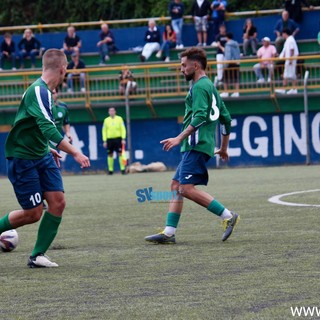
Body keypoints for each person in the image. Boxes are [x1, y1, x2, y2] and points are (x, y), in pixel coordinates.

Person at [0, 49, 90, 268]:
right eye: (67, 67)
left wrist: (46, 147)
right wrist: (76, 152)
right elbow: (49, 128)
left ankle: (37, 255)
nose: (66, 72)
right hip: (23, 158)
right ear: (62, 68)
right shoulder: (38, 92)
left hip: (41, 154)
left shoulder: (46, 94)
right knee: (33, 213)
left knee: (58, 202)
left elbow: (32, 125)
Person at [145, 47, 239, 244]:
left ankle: (228, 216)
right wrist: (223, 148)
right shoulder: (209, 86)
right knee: (176, 186)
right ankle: (169, 233)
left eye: (183, 65)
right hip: (198, 145)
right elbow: (226, 119)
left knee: (186, 188)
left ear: (195, 65)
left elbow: (200, 116)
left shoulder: (199, 87)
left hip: (196, 144)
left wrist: (179, 137)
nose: (181, 69)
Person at [102, 107, 127, 175]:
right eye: (110, 111)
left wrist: (123, 138)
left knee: (120, 153)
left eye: (113, 111)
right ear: (108, 112)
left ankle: (122, 169)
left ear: (115, 111)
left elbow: (123, 129)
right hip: (109, 139)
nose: (112, 112)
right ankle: (110, 170)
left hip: (118, 139)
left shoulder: (119, 119)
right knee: (110, 154)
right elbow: (104, 131)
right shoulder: (106, 120)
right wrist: (104, 140)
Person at [275, 28, 299, 95]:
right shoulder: (289, 40)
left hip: (290, 60)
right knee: (287, 74)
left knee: (291, 74)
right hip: (289, 60)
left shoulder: (290, 40)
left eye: (283, 33)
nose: (282, 35)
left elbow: (292, 50)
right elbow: (286, 51)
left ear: (285, 33)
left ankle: (293, 89)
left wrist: (290, 59)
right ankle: (288, 89)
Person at [220, 32, 240, 98]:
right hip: (236, 62)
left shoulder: (228, 45)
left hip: (230, 63)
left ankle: (226, 92)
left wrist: (226, 63)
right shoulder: (236, 44)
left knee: (225, 78)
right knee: (235, 77)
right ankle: (236, 92)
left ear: (227, 37)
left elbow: (228, 55)